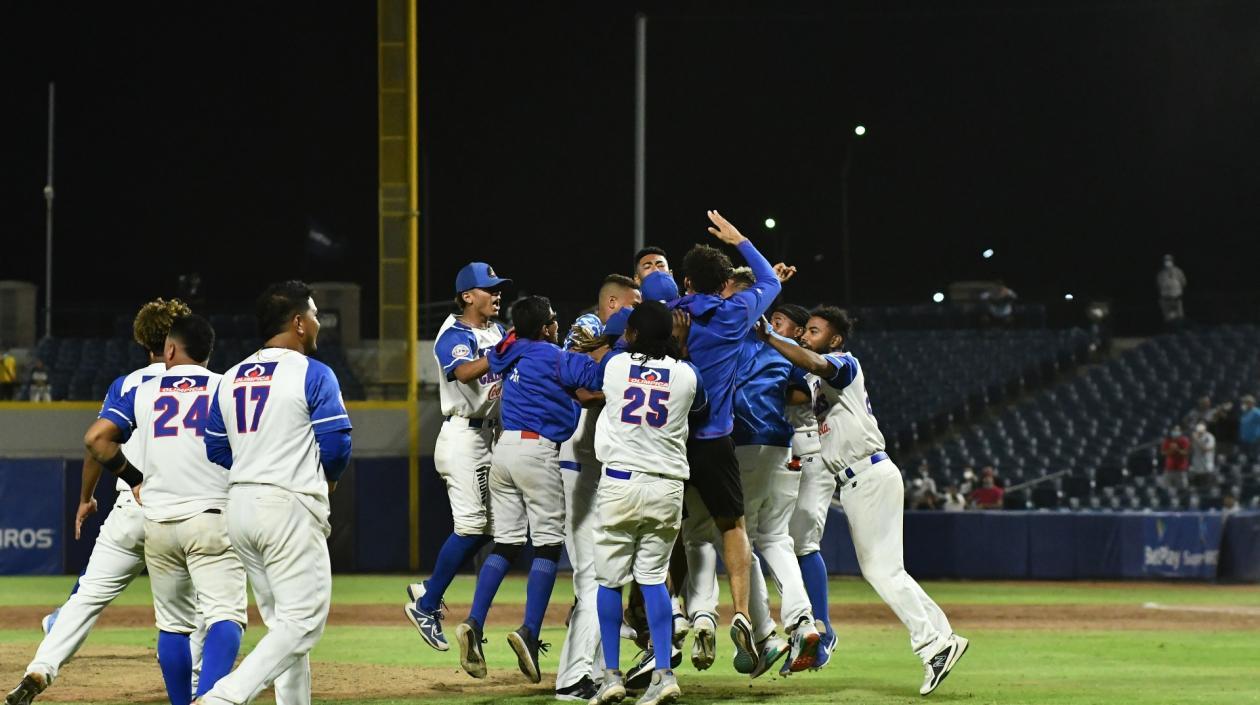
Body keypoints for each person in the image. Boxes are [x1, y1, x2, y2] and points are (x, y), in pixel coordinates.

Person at [756, 305, 968, 696]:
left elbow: (811, 363)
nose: (806, 336)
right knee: (890, 571)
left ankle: (933, 645)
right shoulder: (816, 381)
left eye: (815, 331)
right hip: (857, 478)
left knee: (881, 572)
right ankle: (942, 638)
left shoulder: (844, 362)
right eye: (807, 331)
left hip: (867, 473)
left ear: (835, 339)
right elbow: (790, 384)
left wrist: (770, 336)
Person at [5, 298, 199, 705]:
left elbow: (97, 443)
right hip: (182, 510)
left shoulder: (127, 385)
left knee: (85, 599)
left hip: (130, 508)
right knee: (190, 612)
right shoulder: (205, 384)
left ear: (142, 340)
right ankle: (196, 689)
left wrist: (85, 498)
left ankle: (40, 668)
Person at [198, 281, 353, 705]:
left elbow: (215, 447)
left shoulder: (230, 377)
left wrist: (255, 460)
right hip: (287, 506)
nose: (319, 323)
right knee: (303, 624)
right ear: (298, 323)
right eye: (315, 315)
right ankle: (222, 698)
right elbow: (337, 443)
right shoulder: (312, 372)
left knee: (283, 626)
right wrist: (329, 476)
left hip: (241, 506)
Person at [84, 315, 246, 705]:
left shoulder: (143, 391)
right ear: (208, 353)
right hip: (212, 517)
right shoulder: (226, 387)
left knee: (173, 626)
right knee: (225, 618)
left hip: (158, 521)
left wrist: (133, 477)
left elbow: (96, 440)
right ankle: (208, 700)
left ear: (169, 349)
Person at [453, 295, 601, 684]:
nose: (557, 323)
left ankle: (475, 621)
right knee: (548, 546)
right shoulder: (556, 356)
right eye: (553, 319)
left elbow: (499, 354)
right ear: (547, 327)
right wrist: (603, 347)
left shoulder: (509, 350)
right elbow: (600, 379)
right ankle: (530, 631)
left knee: (506, 543)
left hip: (503, 452)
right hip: (537, 452)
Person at [683, 266, 819, 680]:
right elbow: (802, 395)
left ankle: (757, 631)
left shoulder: (727, 333)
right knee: (775, 537)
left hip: (737, 441)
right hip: (781, 445)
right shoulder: (782, 347)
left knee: (730, 533)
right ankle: (803, 621)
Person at [669, 210, 782, 671]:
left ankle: (673, 613)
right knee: (733, 527)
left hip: (672, 442)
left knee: (672, 532)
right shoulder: (736, 311)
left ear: (687, 281)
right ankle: (740, 612)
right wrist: (739, 239)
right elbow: (770, 280)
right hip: (716, 441)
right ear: (724, 284)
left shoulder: (671, 314)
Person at [587, 301, 706, 705]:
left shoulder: (616, 365)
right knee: (654, 579)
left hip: (621, 483)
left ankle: (611, 676)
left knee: (609, 582)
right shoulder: (687, 374)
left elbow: (607, 359)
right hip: (667, 487)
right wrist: (679, 346)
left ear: (633, 334)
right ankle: (663, 674)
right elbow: (701, 403)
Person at [404, 262, 510, 653]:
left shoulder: (497, 331)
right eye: (489, 289)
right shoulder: (453, 333)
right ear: (467, 296)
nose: (497, 294)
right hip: (463, 435)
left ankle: (429, 591)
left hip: (489, 435)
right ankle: (426, 604)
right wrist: (505, 353)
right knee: (471, 528)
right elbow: (464, 372)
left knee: (491, 530)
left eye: (498, 288)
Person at [554, 275, 640, 701]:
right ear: (613, 303)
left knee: (608, 575)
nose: (638, 308)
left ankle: (599, 671)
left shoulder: (619, 343)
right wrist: (620, 387)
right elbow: (582, 389)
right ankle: (572, 679)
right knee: (592, 576)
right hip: (578, 463)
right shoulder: (588, 327)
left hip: (599, 466)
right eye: (633, 302)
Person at [776, 302, 840, 670]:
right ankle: (802, 630)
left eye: (780, 323)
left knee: (803, 544)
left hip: (811, 452)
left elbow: (800, 393)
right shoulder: (784, 354)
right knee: (777, 544)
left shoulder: (808, 360)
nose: (772, 327)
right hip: (783, 454)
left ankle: (822, 630)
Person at [1156, 254, 1187, 328]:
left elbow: (1183, 282)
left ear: (1172, 261)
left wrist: (1178, 292)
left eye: (1169, 260)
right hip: (1166, 299)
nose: (1167, 262)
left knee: (1179, 317)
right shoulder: (1161, 273)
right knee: (1168, 318)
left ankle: (1179, 330)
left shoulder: (1178, 271)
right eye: (1166, 260)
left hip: (1177, 297)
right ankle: (1170, 330)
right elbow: (1159, 285)